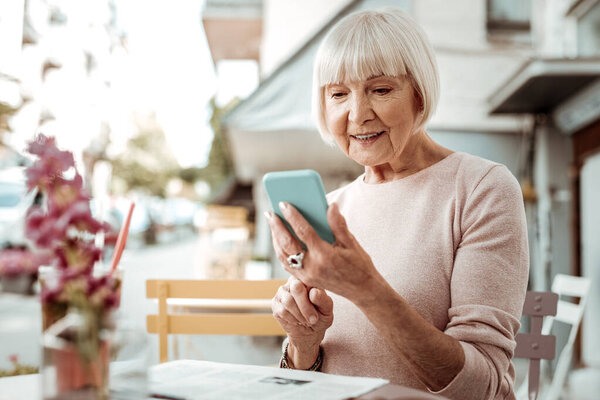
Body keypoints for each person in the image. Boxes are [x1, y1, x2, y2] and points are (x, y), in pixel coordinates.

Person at [264, 8, 529, 400]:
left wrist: (366, 290)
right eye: (338, 94)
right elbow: (308, 376)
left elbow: (483, 386)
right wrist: (303, 344)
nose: (357, 113)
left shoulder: (481, 189)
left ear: (419, 93)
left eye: (380, 89)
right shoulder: (333, 207)